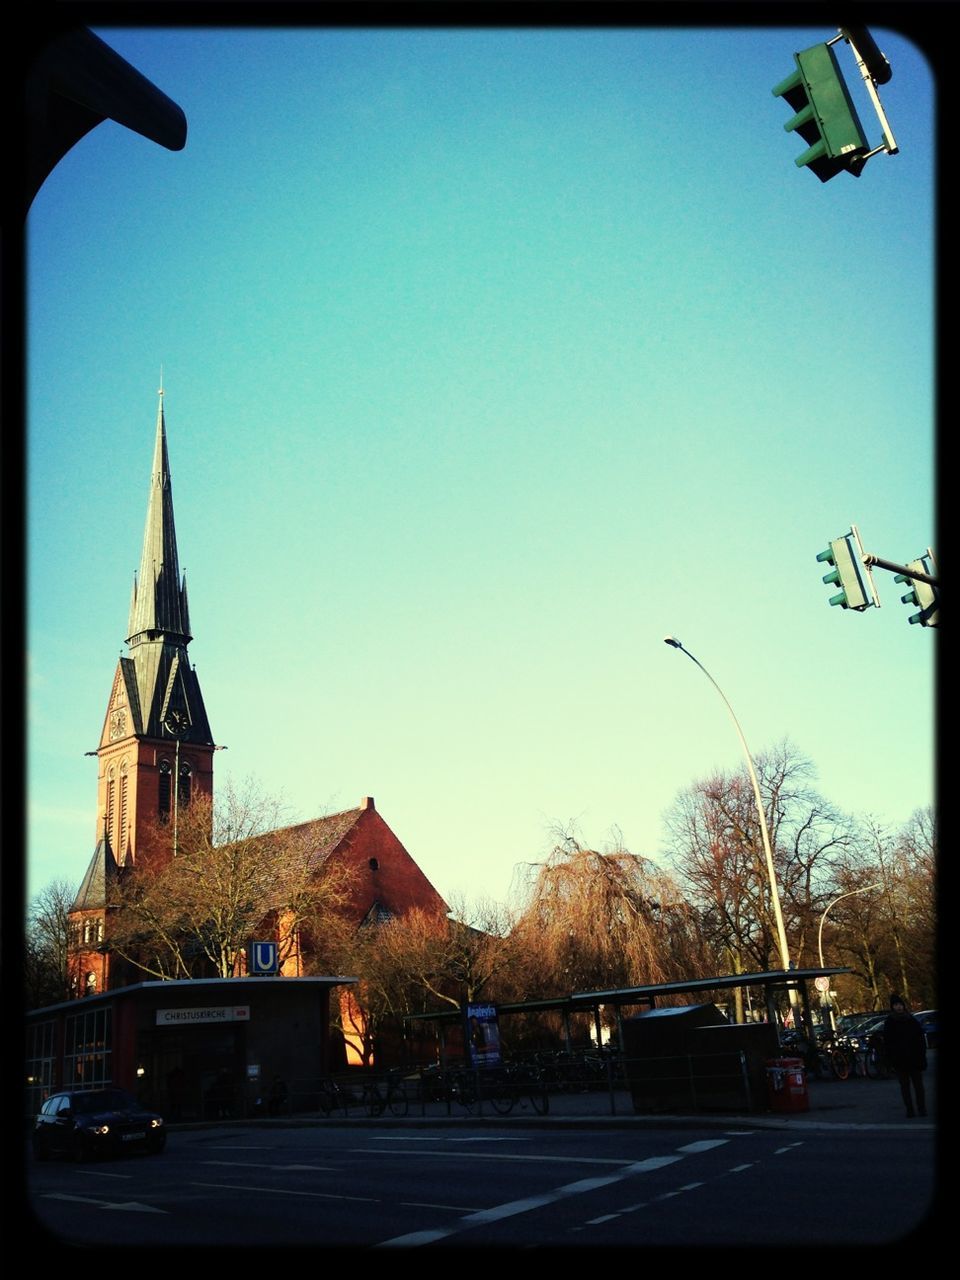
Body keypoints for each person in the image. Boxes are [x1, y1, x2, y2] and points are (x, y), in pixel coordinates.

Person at [882, 994, 927, 1118]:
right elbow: (888, 1043)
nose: (899, 1007)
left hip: (914, 1059)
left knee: (918, 1087)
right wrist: (892, 1059)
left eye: (900, 1005)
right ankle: (910, 1109)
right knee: (905, 1087)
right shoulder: (890, 1022)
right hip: (900, 1060)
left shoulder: (911, 1020)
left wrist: (921, 1056)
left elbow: (920, 1039)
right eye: (896, 1005)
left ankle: (921, 1108)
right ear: (893, 1007)